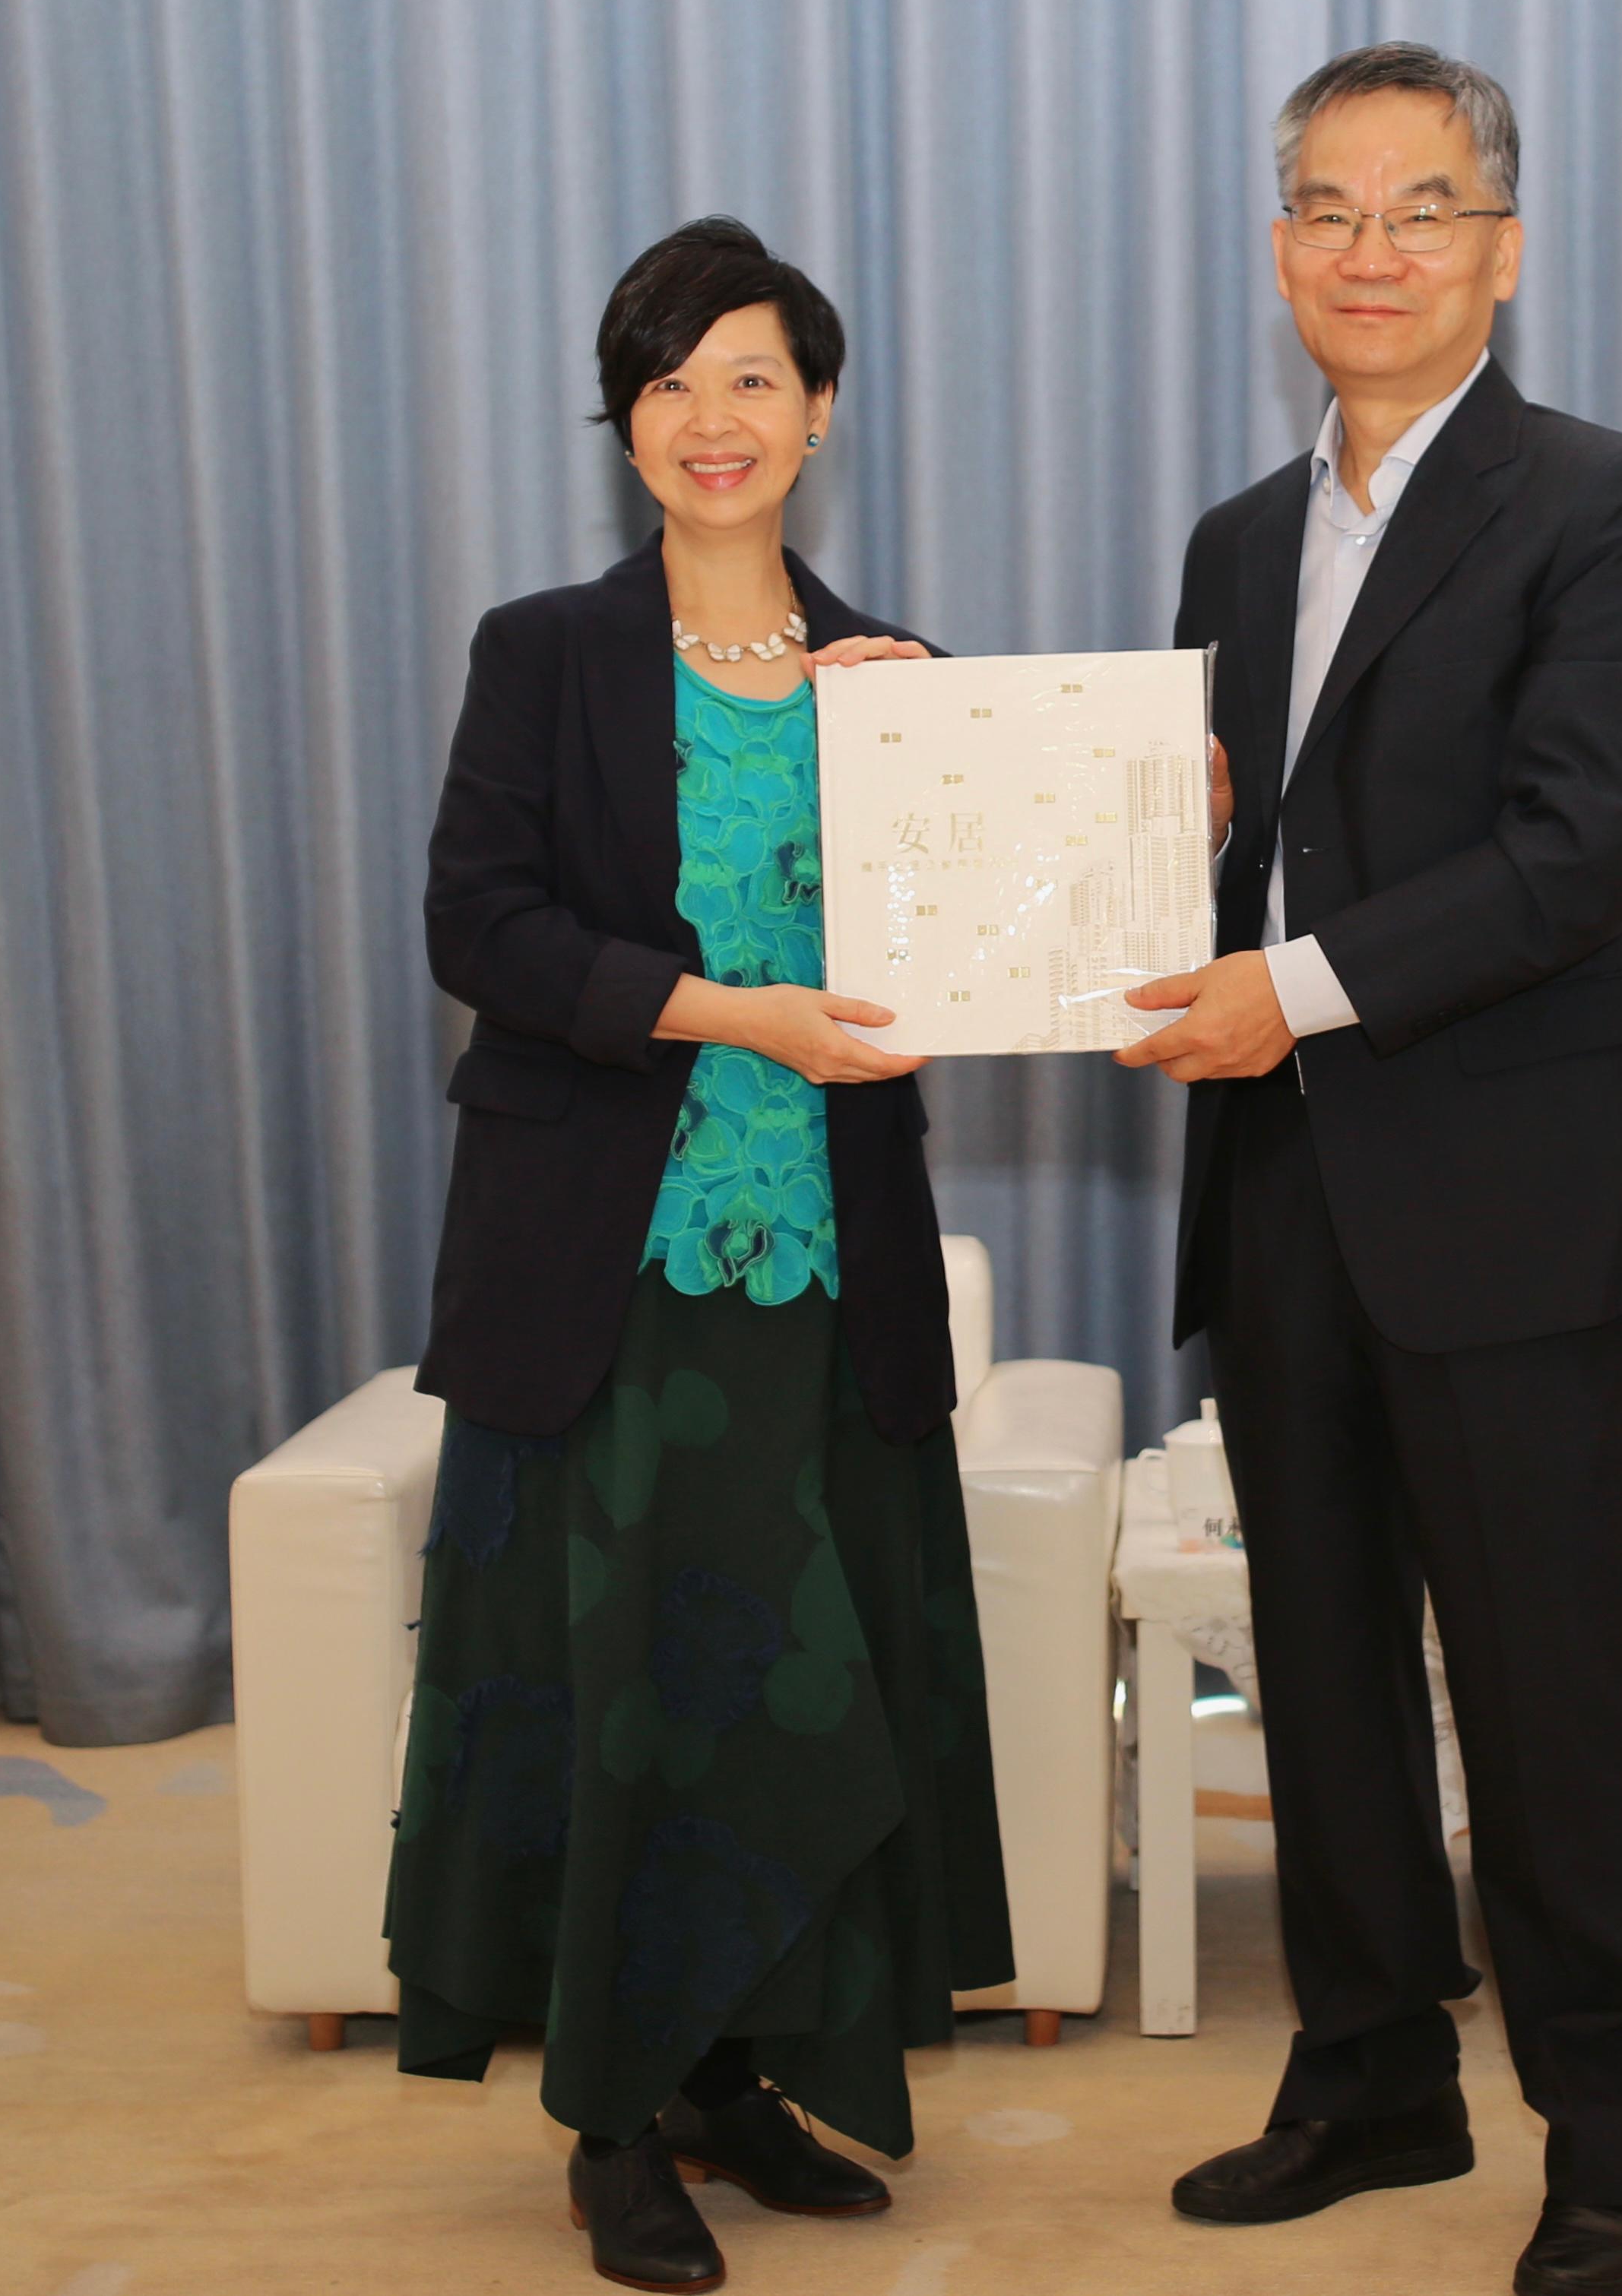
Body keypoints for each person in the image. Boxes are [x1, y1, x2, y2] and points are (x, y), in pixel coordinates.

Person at [1118, 46, 1622, 2296]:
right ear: (1280, 245)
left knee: (1551, 1678)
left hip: (1514, 1203)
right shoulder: (1237, 539)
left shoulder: (1605, 500)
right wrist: (1137, 835)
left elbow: (1576, 851)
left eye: (1425, 207)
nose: (1372, 253)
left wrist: (1294, 980)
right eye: (1329, 209)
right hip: (1281, 1186)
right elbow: (1261, 842)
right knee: (1319, 1661)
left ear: (1506, 245)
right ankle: (1371, 2068)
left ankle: (1614, 2140)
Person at [389, 217, 1013, 2295]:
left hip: (833, 1267)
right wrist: (723, 1009)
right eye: (667, 382)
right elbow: (480, 928)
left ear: (820, 408)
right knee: (629, 1694)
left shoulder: (897, 677)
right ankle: (614, 2117)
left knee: (800, 1681)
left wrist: (1007, 787)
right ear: (624, 424)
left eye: (751, 376)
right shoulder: (545, 654)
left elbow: (989, 950)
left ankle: (745, 2071)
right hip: (613, 1272)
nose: (710, 419)